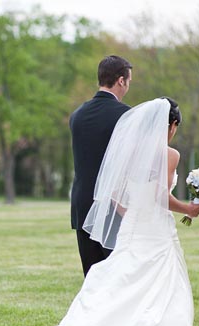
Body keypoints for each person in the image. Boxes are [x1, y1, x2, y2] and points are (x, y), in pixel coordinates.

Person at [0, 98, 199, 326]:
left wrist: (133, 216)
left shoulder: (131, 153)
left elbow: (113, 195)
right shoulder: (169, 154)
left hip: (134, 230)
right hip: (155, 234)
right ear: (172, 126)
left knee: (123, 291)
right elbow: (160, 197)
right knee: (163, 294)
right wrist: (189, 209)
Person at [70, 55, 132, 276]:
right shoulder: (126, 116)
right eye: (128, 82)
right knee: (118, 277)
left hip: (81, 204)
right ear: (121, 81)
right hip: (112, 206)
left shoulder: (77, 115)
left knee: (92, 279)